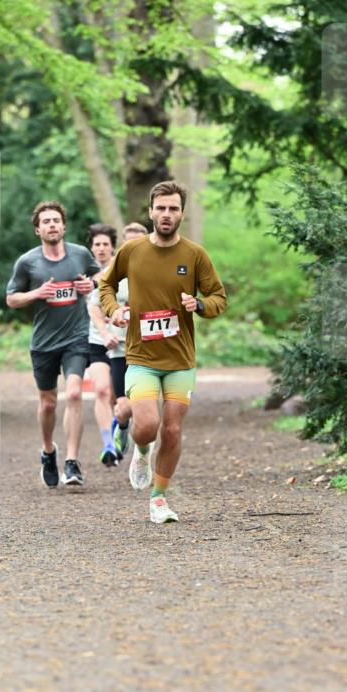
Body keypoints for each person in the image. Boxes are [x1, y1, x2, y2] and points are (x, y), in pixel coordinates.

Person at [99, 181, 227, 523]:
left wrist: (199, 304)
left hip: (180, 360)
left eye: (173, 208)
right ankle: (142, 450)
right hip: (141, 356)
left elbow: (218, 298)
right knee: (147, 425)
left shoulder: (195, 255)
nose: (167, 214)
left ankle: (158, 498)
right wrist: (113, 309)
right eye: (161, 208)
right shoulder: (132, 251)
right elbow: (106, 284)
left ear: (182, 213)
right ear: (151, 211)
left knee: (171, 429)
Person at [6, 200, 100, 488]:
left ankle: (72, 462)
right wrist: (36, 294)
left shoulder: (80, 254)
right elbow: (11, 299)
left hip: (76, 337)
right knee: (48, 403)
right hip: (44, 342)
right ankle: (48, 451)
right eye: (46, 221)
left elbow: (100, 274)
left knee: (74, 394)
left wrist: (92, 285)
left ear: (64, 226)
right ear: (38, 230)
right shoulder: (27, 262)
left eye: (56, 220)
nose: (51, 225)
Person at [87, 222, 149, 461]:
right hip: (121, 349)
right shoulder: (114, 272)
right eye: (129, 242)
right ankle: (122, 425)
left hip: (150, 349)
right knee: (123, 405)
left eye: (138, 242)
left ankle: (143, 455)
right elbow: (94, 305)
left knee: (146, 404)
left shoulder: (158, 271)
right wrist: (105, 332)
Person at [85, 224, 121, 466]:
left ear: (112, 247)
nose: (101, 248)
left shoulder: (122, 271)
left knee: (118, 398)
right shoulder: (82, 273)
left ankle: (120, 430)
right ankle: (108, 445)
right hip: (96, 339)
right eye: (97, 244)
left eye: (105, 244)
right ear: (91, 248)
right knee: (101, 390)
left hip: (121, 341)